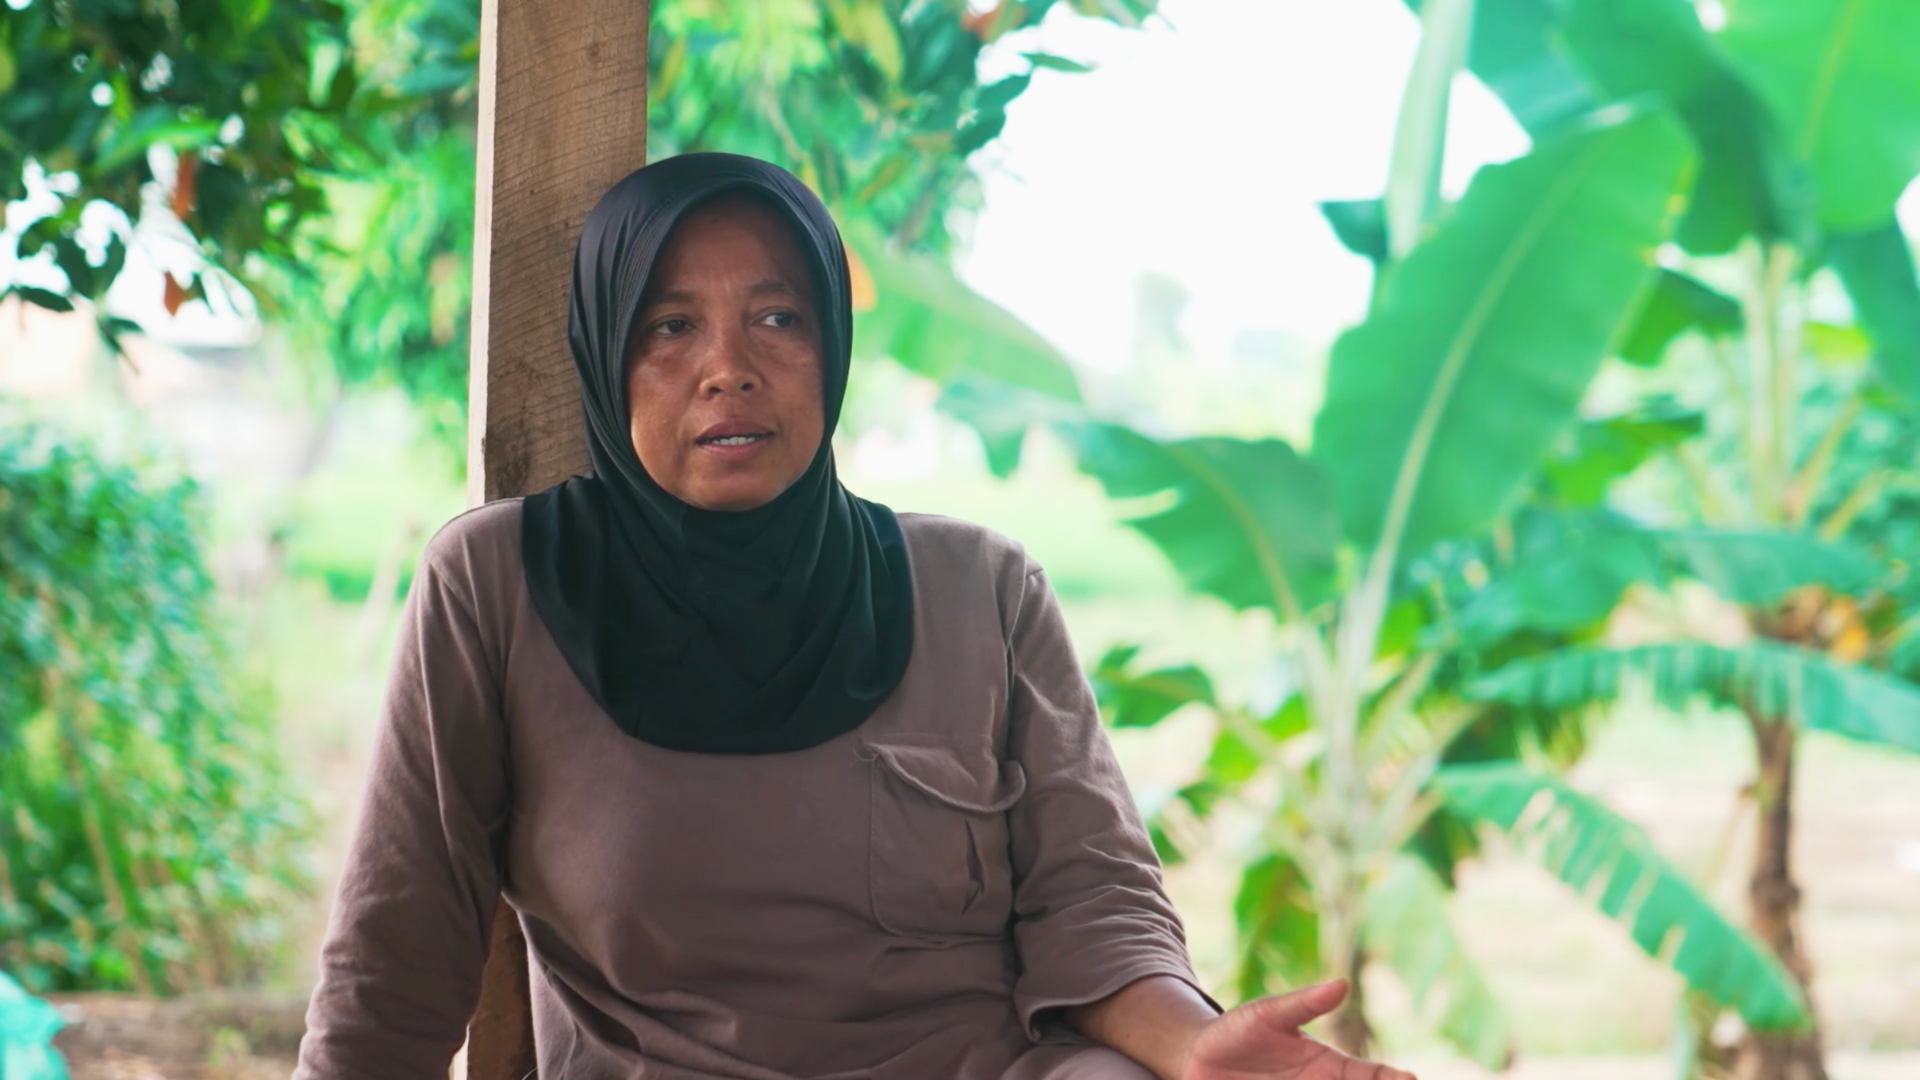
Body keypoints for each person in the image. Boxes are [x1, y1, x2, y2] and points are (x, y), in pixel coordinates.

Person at [293, 153, 1417, 1080]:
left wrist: (1195, 1048)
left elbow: (1096, 905)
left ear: (831, 348)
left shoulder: (978, 587)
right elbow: (394, 960)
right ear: (606, 357)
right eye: (670, 328)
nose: (729, 370)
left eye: (777, 318)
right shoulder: (499, 587)